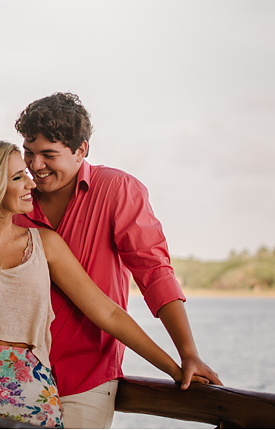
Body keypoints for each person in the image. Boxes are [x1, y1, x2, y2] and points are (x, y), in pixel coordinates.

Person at [0, 139, 201, 426]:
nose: (31, 183)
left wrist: (176, 368)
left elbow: (108, 313)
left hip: (33, 392)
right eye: (19, 177)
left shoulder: (46, 245)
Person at [14, 93, 222, 428]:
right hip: (11, 375)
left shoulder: (118, 190)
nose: (35, 165)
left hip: (86, 379)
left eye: (48, 155)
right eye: (29, 152)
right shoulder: (14, 199)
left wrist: (187, 354)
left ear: (81, 150)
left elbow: (154, 273)